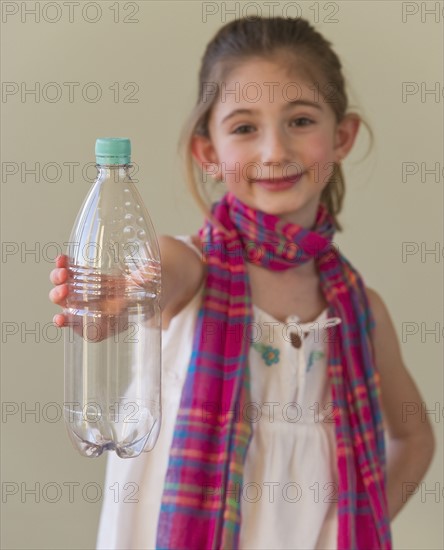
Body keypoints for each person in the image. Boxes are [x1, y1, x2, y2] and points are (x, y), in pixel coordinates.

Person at [49, 16, 435, 550]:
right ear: (209, 153)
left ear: (342, 137)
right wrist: (121, 306)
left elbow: (413, 437)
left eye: (300, 121)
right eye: (245, 127)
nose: (274, 151)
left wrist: (353, 530)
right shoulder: (189, 266)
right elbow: (154, 283)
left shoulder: (361, 310)